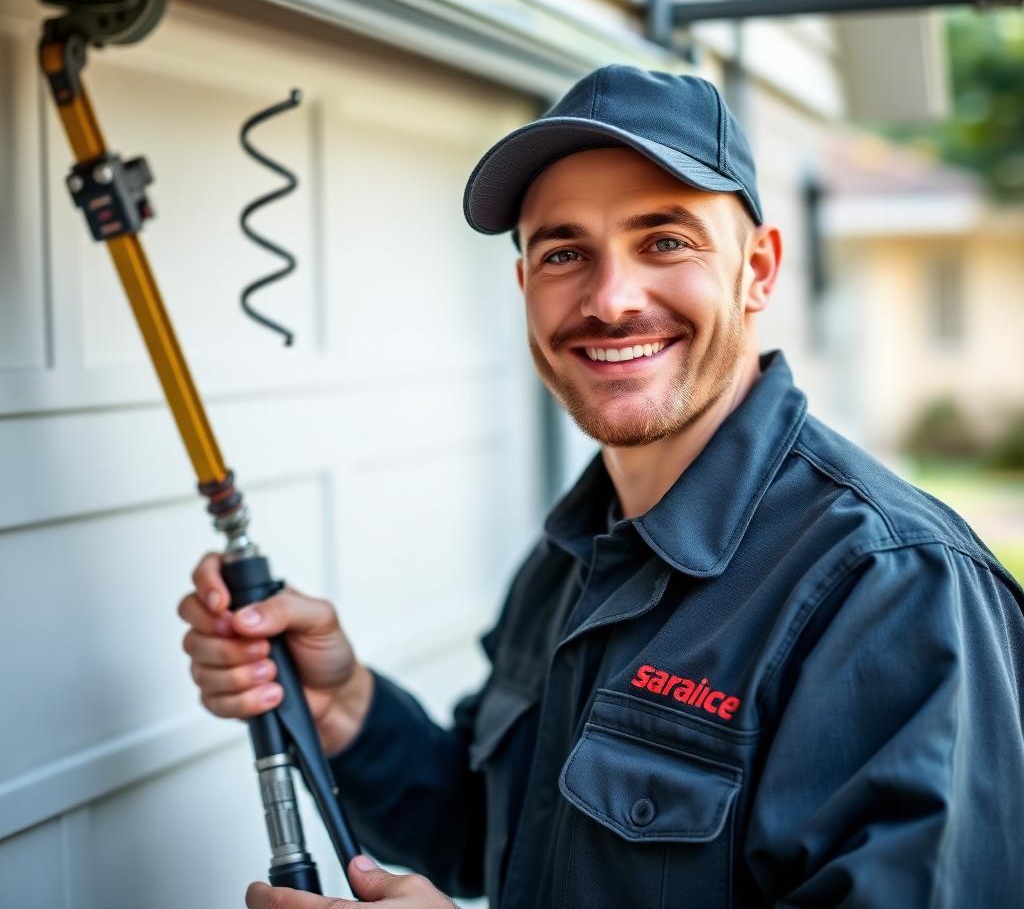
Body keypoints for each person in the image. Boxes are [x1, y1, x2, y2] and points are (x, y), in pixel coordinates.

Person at [179, 66, 1024, 909]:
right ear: (525, 288)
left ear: (759, 270)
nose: (611, 301)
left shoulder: (892, 585)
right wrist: (344, 708)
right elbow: (494, 834)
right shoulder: (576, 554)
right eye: (564, 253)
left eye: (666, 241)